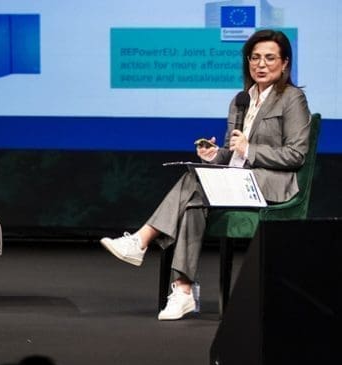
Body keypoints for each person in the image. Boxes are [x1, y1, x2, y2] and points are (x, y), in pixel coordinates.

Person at [100, 29, 311, 320]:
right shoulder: (240, 100)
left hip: (270, 184)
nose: (261, 64)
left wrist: (250, 149)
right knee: (194, 198)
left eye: (270, 58)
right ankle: (183, 290)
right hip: (238, 179)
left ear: (284, 62)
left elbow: (296, 155)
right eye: (255, 58)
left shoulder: (292, 98)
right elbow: (232, 153)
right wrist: (215, 155)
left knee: (195, 181)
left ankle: (141, 240)